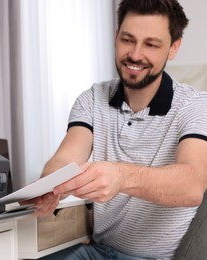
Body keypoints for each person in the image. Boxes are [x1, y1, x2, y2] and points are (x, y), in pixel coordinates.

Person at [26, 0, 207, 259]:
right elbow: (66, 158)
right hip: (96, 251)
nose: (135, 54)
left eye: (151, 44)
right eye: (127, 40)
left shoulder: (196, 106)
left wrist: (122, 176)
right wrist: (50, 185)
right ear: (115, 37)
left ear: (173, 48)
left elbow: (192, 185)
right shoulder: (91, 99)